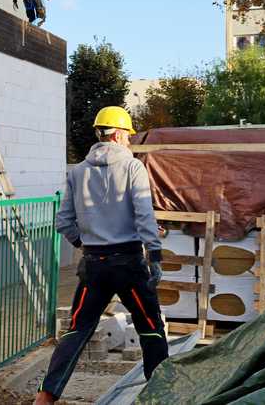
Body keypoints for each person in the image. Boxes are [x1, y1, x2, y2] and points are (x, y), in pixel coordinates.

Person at [34, 107, 169, 405]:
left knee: (77, 331)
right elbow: (144, 216)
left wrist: (88, 245)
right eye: (129, 136)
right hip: (130, 264)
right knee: (150, 327)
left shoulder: (78, 171)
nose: (130, 143)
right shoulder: (133, 167)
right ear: (119, 134)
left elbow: (63, 223)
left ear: (100, 133)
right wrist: (155, 255)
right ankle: (160, 396)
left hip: (94, 266)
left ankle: (44, 399)